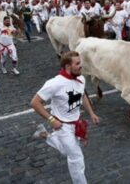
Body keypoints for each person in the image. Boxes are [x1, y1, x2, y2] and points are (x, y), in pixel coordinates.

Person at [31, 51, 100, 184]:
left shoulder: (81, 79)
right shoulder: (54, 83)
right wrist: (52, 120)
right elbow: (35, 102)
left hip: (76, 123)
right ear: (68, 66)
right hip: (62, 126)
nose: (81, 66)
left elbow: (82, 95)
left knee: (67, 150)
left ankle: (45, 135)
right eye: (77, 63)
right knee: (76, 157)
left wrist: (91, 113)